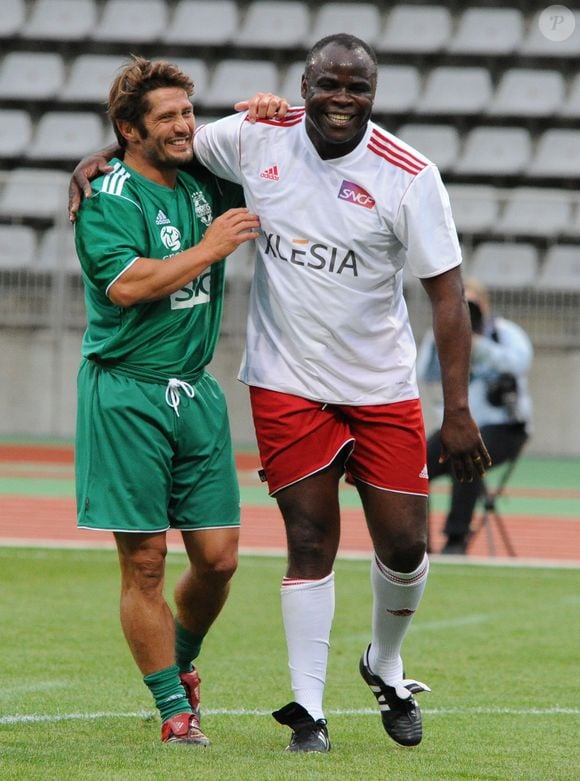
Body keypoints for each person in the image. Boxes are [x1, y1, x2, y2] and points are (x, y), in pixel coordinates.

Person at [70, 36, 490, 754]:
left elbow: (440, 289)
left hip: (301, 386)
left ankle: (362, 660)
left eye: (187, 114)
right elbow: (140, 226)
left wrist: (457, 407)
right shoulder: (169, 170)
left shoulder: (392, 174)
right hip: (211, 385)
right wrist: (95, 162)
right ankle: (255, 708)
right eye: (327, 84)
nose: (183, 126)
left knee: (329, 549)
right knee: (265, 542)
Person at [72, 56, 284, 747]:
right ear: (130, 131)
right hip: (127, 389)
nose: (184, 126)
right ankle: (172, 709)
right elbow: (129, 287)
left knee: (220, 557)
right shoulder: (107, 196)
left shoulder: (201, 179)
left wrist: (265, 112)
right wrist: (212, 245)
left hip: (195, 389)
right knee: (144, 562)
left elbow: (265, 153)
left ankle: (180, 662)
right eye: (166, 117)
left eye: (188, 113)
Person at [418, 278, 533, 555]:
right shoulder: (441, 333)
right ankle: (417, 544)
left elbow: (519, 362)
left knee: (467, 458)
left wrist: (476, 343)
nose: (467, 311)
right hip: (457, 425)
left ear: (485, 305)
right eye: (462, 305)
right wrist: (446, 334)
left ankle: (456, 540)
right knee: (416, 467)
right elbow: (424, 373)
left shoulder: (504, 332)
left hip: (504, 426)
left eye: (473, 305)